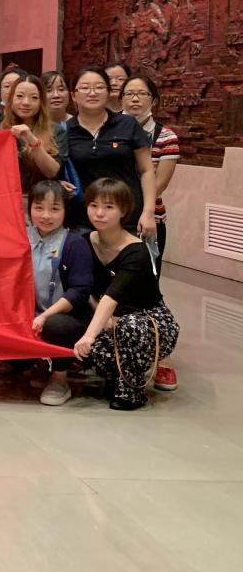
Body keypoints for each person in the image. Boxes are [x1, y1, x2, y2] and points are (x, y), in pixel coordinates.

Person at [74, 178, 179, 410]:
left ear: (123, 211)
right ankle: (120, 375)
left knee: (128, 327)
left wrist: (90, 334)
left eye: (108, 207)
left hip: (147, 319)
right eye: (93, 205)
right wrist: (102, 323)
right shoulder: (83, 242)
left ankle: (131, 392)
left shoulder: (137, 252)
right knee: (89, 341)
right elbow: (84, 288)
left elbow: (112, 297)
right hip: (108, 317)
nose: (99, 213)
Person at [122, 73, 181, 392]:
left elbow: (157, 184)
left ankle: (162, 358)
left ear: (153, 100)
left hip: (147, 223)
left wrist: (129, 207)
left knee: (148, 291)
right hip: (111, 223)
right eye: (128, 93)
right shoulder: (112, 129)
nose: (134, 99)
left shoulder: (165, 136)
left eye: (141, 94)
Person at [64, 66, 156, 236]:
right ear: (73, 95)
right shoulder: (65, 131)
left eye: (99, 87)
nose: (92, 93)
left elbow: (147, 170)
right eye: (85, 88)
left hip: (127, 216)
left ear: (108, 92)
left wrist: (149, 213)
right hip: (84, 220)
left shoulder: (127, 124)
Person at [25, 180, 93, 407]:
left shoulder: (75, 243)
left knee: (57, 326)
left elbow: (80, 291)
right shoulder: (21, 237)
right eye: (39, 208)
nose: (46, 215)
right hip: (31, 313)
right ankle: (32, 363)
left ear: (65, 211)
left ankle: (59, 379)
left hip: (65, 316)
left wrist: (45, 315)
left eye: (54, 209)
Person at [1, 73, 64, 196]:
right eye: (19, 96)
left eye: (34, 98)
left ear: (41, 102)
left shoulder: (56, 131)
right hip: (8, 199)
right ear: (11, 99)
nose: (26, 102)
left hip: (42, 200)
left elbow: (52, 172)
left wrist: (31, 139)